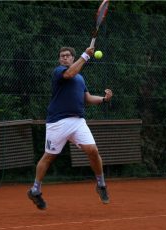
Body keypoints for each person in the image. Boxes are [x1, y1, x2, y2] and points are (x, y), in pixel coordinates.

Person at [27, 46, 113, 210]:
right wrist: (85, 56)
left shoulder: (80, 78)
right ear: (60, 60)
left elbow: (87, 98)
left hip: (77, 122)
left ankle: (101, 185)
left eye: (68, 56)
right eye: (62, 56)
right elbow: (69, 73)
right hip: (57, 123)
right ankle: (35, 190)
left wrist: (104, 99)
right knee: (49, 157)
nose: (65, 58)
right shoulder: (59, 72)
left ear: (72, 58)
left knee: (93, 150)